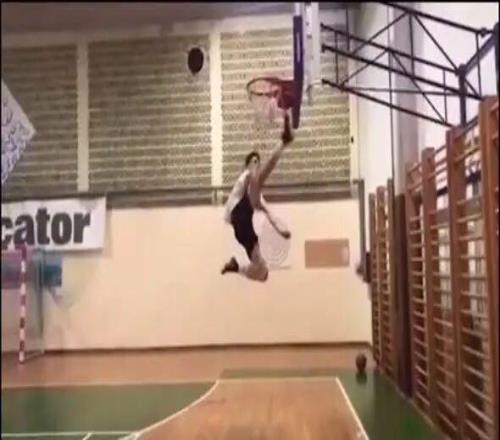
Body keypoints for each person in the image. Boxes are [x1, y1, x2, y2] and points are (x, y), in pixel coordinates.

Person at [221, 114, 294, 282]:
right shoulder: (245, 176)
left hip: (243, 230)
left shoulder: (256, 194)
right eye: (253, 161)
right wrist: (254, 168)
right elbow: (255, 177)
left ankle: (235, 267)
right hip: (237, 212)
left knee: (262, 272)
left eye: (257, 162)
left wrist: (281, 230)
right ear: (246, 165)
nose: (256, 164)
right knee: (256, 180)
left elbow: (269, 213)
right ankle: (283, 142)